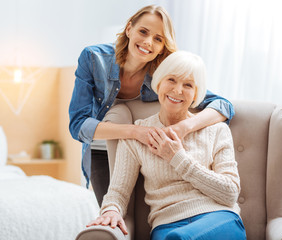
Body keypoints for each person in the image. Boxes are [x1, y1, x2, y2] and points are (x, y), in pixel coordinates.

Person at [68, 5, 235, 206]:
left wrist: (184, 127)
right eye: (143, 32)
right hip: (101, 150)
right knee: (112, 213)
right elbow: (78, 125)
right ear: (129, 29)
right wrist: (136, 132)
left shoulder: (164, 76)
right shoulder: (93, 59)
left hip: (145, 153)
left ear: (163, 46)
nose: (148, 42)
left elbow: (223, 105)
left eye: (158, 39)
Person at [86, 51, 246, 239]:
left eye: (188, 85)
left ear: (196, 94)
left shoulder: (217, 130)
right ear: (158, 83)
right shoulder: (137, 135)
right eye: (171, 80)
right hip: (167, 225)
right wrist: (111, 210)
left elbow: (230, 193)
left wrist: (177, 157)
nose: (178, 90)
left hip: (218, 219)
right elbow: (117, 192)